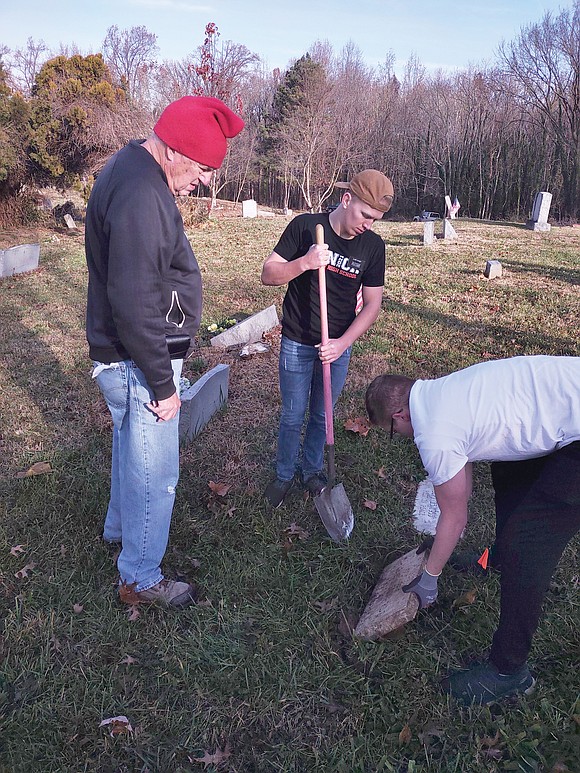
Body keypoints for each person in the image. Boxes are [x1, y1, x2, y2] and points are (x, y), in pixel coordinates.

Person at [85, 96, 244, 608]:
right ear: (174, 150)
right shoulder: (139, 195)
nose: (201, 180)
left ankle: (118, 532)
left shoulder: (133, 166)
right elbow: (132, 303)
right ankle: (140, 577)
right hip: (139, 361)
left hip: (128, 355)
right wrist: (163, 384)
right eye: (200, 167)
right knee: (156, 473)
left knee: (132, 450)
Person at [365, 355, 580, 704]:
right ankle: (497, 559)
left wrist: (429, 579)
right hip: (568, 400)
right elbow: (459, 483)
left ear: (399, 417)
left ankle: (509, 671)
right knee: (510, 473)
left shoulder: (434, 433)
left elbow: (455, 516)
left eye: (392, 431)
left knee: (529, 542)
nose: (398, 437)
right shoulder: (442, 392)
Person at [262, 170, 394, 508]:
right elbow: (268, 274)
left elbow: (373, 303)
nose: (369, 224)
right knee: (293, 415)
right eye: (366, 215)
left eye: (376, 219)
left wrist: (343, 342)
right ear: (347, 199)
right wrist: (305, 262)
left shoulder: (373, 247)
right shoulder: (306, 227)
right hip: (297, 339)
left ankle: (313, 471)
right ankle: (283, 474)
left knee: (323, 415)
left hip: (337, 344)